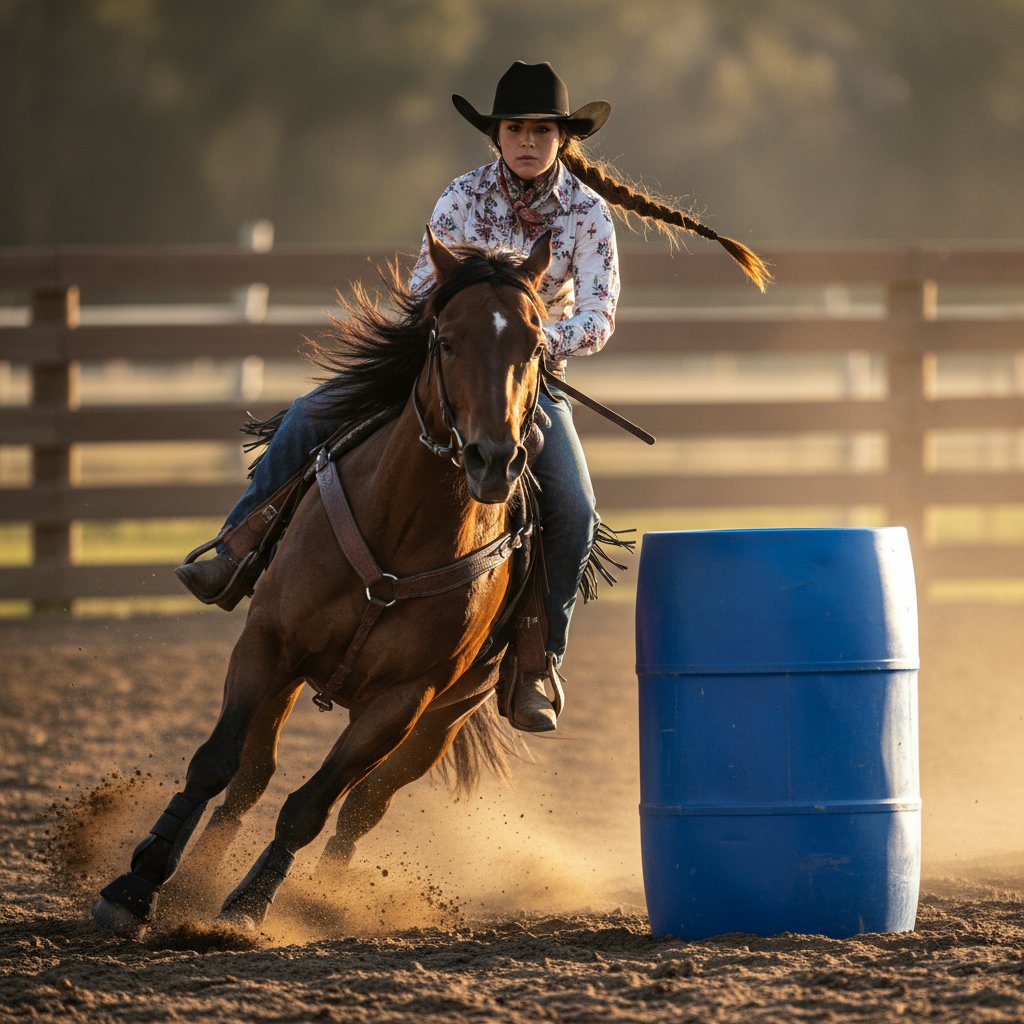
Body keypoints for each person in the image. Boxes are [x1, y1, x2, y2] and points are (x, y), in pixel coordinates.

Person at [175, 60, 769, 731]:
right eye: (514, 128)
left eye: (541, 130)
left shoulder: (587, 215)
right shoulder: (460, 197)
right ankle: (238, 549)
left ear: (562, 139)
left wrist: (527, 346)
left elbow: (599, 317)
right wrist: (470, 340)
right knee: (309, 415)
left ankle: (538, 658)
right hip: (443, 366)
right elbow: (426, 290)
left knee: (574, 507)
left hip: (527, 380)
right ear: (496, 136)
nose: (526, 141)